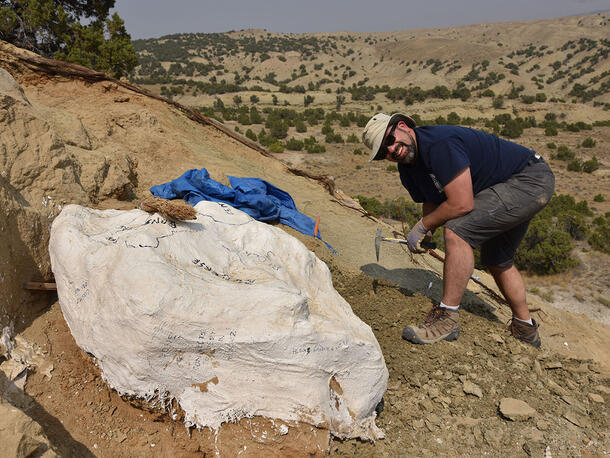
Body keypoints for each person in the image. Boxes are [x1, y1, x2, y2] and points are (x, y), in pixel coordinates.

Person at [362, 113, 555, 347]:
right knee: (497, 258)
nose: (392, 150)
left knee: (458, 231)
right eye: (384, 152)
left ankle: (448, 318)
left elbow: (462, 203)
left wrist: (423, 226)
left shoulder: (439, 144)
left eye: (390, 140)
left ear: (402, 126)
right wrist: (428, 232)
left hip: (528, 179)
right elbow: (431, 199)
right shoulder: (408, 167)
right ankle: (526, 328)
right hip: (515, 183)